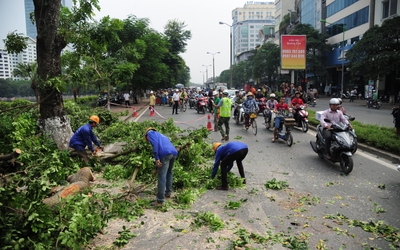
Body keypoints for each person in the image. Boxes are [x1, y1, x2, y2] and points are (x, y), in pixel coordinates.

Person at [144, 128, 178, 206]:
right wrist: (157, 168)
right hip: (174, 153)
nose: (148, 141)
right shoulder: (161, 135)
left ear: (146, 136)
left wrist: (157, 158)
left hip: (165, 154)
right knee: (169, 172)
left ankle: (160, 201)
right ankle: (168, 193)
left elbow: (155, 144)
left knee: (162, 176)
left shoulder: (150, 134)